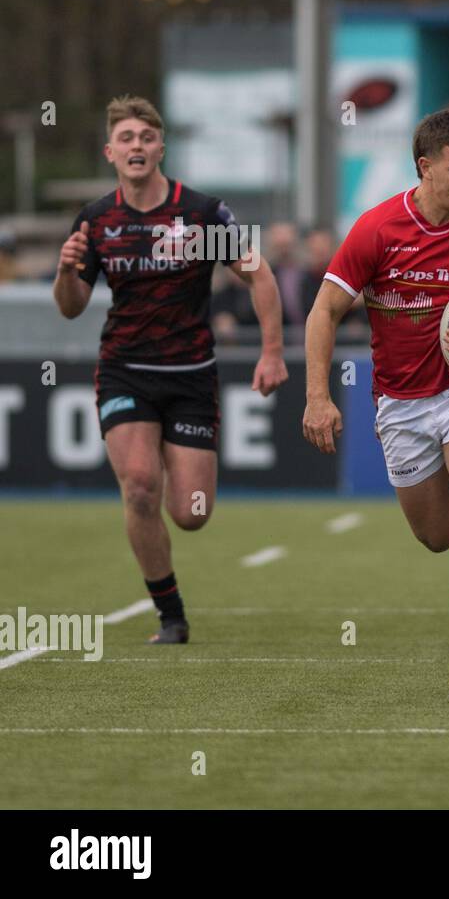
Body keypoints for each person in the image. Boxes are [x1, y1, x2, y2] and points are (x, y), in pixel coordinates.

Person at [302, 109, 449, 700]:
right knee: (437, 535)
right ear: (424, 167)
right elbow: (324, 311)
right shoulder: (376, 231)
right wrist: (318, 396)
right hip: (401, 405)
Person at [53, 95, 288, 644]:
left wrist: (272, 351)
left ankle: (169, 469)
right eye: (126, 139)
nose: (137, 146)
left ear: (161, 147)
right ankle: (170, 615)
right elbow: (70, 306)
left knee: (191, 513)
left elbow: (261, 276)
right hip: (123, 371)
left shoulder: (201, 213)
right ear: (111, 151)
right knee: (138, 487)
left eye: (146, 138)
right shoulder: (96, 220)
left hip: (190, 375)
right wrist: (66, 273)